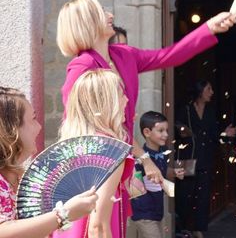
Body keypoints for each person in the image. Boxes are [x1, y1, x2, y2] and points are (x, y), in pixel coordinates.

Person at [56, 0, 236, 186]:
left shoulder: (124, 55)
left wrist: (209, 28)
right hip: (97, 165)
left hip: (122, 159)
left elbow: (168, 56)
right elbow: (74, 124)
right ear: (87, 24)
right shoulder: (81, 67)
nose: (110, 15)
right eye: (101, 12)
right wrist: (142, 158)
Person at [0, 87, 98, 237]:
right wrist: (64, 214)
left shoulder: (16, 176)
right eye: (32, 119)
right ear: (11, 130)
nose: (39, 127)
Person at [56, 69, 133, 238]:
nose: (126, 100)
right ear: (106, 103)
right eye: (121, 94)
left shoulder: (69, 148)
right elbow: (98, 226)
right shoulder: (110, 150)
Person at [174, 81, 236, 238]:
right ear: (200, 90)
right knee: (184, 195)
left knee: (203, 197)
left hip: (205, 159)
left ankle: (198, 228)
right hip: (186, 158)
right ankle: (182, 228)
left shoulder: (210, 110)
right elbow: (174, 128)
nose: (212, 92)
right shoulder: (185, 109)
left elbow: (214, 135)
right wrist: (181, 129)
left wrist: (225, 134)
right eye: (209, 89)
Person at [130, 111, 184, 238]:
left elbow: (163, 171)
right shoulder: (140, 158)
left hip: (157, 211)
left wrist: (174, 172)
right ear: (147, 132)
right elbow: (134, 188)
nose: (166, 134)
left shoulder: (163, 152)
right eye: (160, 130)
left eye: (166, 130)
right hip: (144, 214)